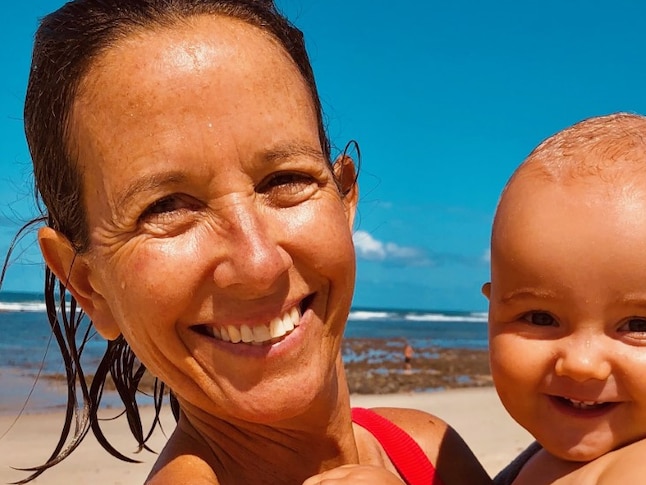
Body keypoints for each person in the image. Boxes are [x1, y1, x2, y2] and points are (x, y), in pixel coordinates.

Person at [11, 1, 491, 484]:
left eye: (284, 180)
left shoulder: (428, 448)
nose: (258, 263)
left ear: (344, 197)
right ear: (87, 284)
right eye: (166, 208)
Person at [482, 113, 646, 484]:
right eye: (540, 318)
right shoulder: (556, 458)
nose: (581, 364)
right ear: (492, 313)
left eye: (640, 325)